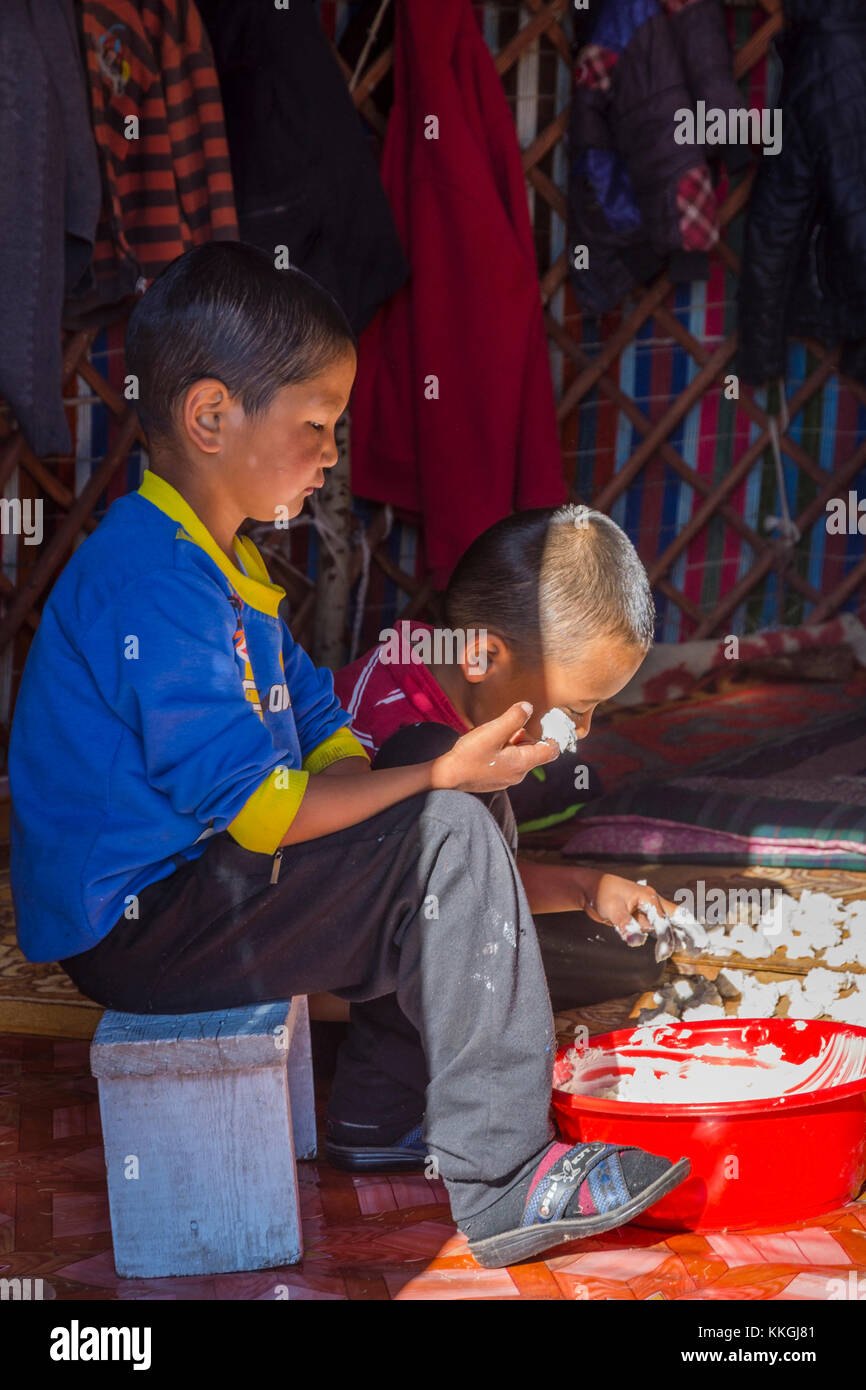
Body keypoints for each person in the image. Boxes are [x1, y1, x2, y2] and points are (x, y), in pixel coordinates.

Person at [9, 242, 689, 1269]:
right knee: (444, 816)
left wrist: (415, 769)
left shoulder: (230, 569)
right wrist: (432, 785)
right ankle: (503, 1178)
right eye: (316, 427)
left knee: (425, 768)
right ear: (209, 417)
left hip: (205, 887)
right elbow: (262, 809)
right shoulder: (154, 582)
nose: (332, 454)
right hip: (144, 921)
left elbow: (328, 733)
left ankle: (378, 1113)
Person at [335, 507, 678, 1017]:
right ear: (481, 658)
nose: (584, 731)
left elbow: (477, 876)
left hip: (444, 915)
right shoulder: (381, 732)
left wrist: (589, 888)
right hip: (355, 961)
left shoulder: (461, 694)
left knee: (630, 955)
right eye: (578, 708)